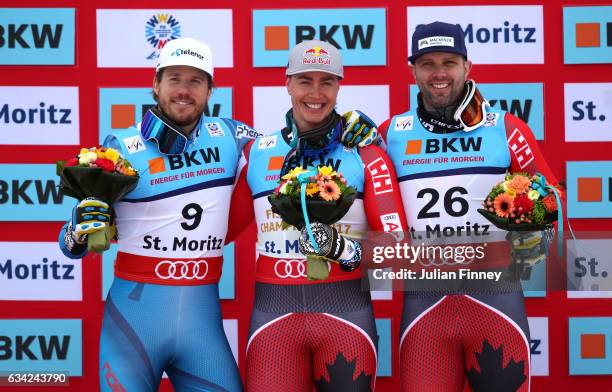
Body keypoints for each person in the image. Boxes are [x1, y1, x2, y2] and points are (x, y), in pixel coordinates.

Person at [58, 37, 258, 392]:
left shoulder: (231, 135)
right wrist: (78, 229)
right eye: (174, 79)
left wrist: (355, 134)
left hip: (202, 328)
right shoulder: (119, 148)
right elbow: (72, 247)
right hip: (133, 325)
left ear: (210, 90)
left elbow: (289, 151)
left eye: (195, 81)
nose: (184, 90)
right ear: (155, 84)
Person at [373, 22, 563, 391]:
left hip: (495, 299)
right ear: (412, 70)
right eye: (427, 63)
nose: (439, 72)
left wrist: (535, 227)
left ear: (467, 67)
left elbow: (552, 196)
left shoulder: (505, 128)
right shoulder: (390, 133)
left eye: (449, 61)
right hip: (424, 304)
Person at [226, 40, 407, 391]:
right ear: (287, 83)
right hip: (273, 321)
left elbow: (397, 245)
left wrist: (346, 250)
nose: (316, 92)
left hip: (346, 318)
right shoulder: (257, 153)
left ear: (339, 86)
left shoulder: (366, 154)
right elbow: (215, 233)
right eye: (305, 80)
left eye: (326, 82)